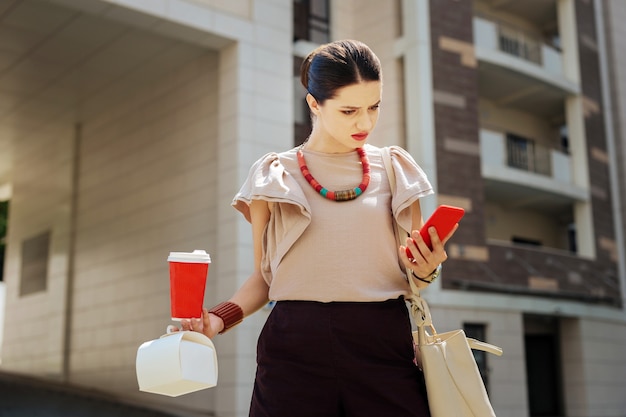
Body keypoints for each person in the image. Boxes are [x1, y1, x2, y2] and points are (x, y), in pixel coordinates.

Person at [177, 39, 457, 417]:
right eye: (349, 110)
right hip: (293, 349)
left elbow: (414, 278)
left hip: (381, 342)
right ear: (313, 104)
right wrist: (215, 319)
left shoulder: (395, 170)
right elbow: (264, 278)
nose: (365, 122)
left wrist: (428, 269)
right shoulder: (274, 175)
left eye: (374, 107)